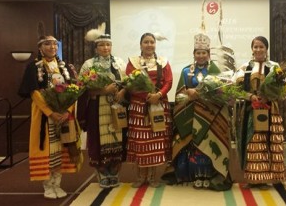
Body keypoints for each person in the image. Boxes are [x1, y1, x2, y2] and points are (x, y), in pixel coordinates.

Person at [162, 33, 232, 191]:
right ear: (194, 54)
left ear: (208, 54)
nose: (201, 56)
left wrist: (199, 94)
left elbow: (221, 93)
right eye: (198, 53)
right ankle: (195, 175)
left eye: (204, 53)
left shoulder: (217, 71)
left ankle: (210, 174)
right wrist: (188, 94)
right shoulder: (186, 71)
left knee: (208, 143)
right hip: (192, 114)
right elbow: (180, 93)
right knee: (193, 146)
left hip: (211, 115)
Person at [18, 35, 83, 199]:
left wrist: (67, 110)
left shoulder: (65, 67)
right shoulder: (34, 67)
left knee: (62, 148)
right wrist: (51, 112)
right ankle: (47, 185)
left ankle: (57, 183)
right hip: (45, 116)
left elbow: (74, 90)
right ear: (40, 47)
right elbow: (34, 92)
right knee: (48, 149)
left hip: (64, 115)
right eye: (47, 44)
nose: (52, 47)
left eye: (54, 44)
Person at [232, 36, 286, 187]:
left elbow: (284, 89)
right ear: (252, 49)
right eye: (255, 47)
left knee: (271, 142)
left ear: (266, 49)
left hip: (270, 110)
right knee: (253, 142)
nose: (258, 50)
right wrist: (251, 96)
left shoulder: (275, 67)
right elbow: (234, 90)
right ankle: (254, 179)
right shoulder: (245, 68)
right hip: (251, 111)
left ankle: (272, 177)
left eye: (261, 46)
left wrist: (268, 96)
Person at [77, 32, 127, 188]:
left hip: (118, 105)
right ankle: (102, 172)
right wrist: (103, 91)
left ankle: (114, 171)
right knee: (98, 139)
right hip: (97, 107)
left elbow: (128, 83)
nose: (105, 48)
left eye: (108, 45)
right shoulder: (89, 64)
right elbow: (82, 89)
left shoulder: (120, 63)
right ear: (96, 47)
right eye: (102, 45)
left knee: (118, 137)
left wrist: (121, 92)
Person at [125, 32, 173, 188]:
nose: (149, 45)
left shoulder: (163, 61)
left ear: (155, 44)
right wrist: (147, 96)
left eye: (152, 42)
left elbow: (169, 81)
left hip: (159, 105)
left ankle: (152, 177)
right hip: (139, 106)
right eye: (146, 42)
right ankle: (140, 177)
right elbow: (130, 82)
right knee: (141, 141)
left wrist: (158, 94)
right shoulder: (133, 62)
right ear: (140, 45)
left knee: (155, 141)